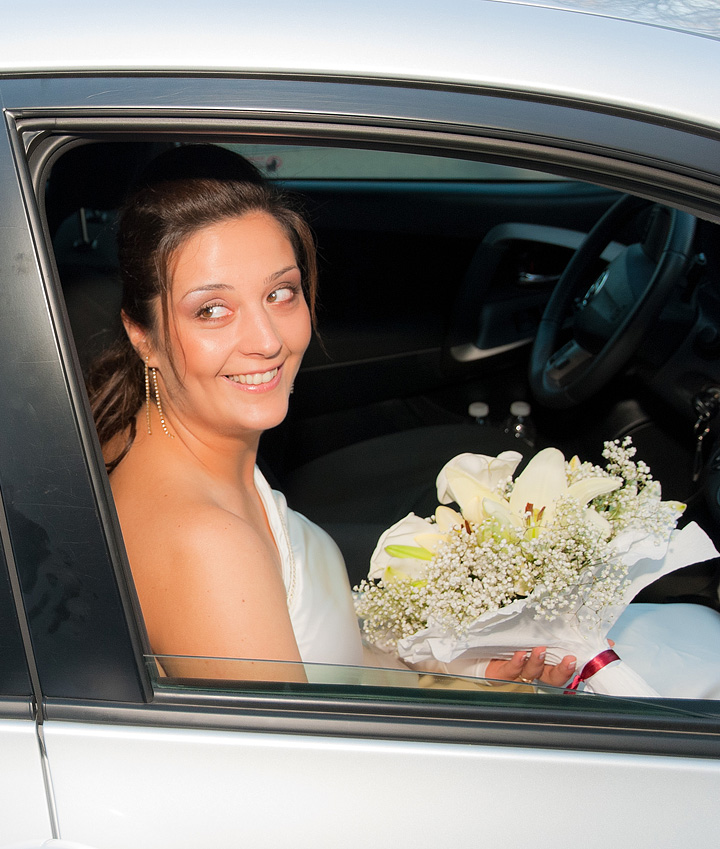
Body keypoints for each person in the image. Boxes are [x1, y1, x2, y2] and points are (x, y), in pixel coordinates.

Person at [89, 147, 576, 686]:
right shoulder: (206, 547)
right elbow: (297, 741)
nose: (267, 340)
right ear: (142, 335)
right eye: (212, 310)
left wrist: (461, 676)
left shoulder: (140, 434)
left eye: (280, 293)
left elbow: (311, 653)